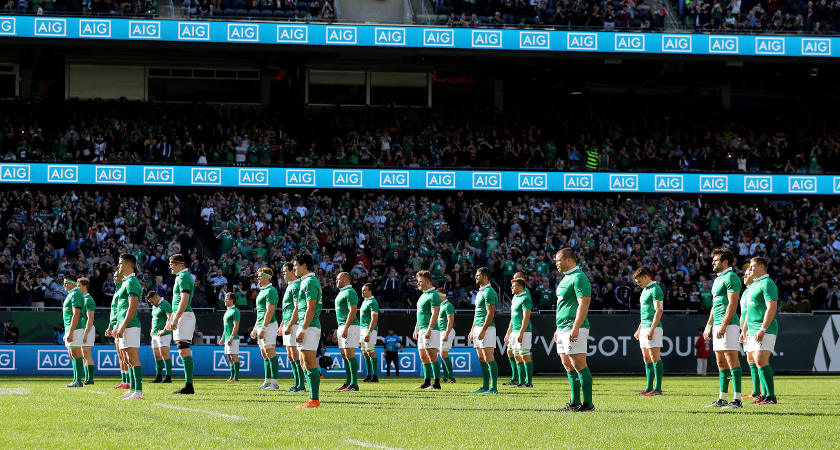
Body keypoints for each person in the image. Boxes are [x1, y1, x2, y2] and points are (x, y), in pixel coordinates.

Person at [554, 248, 595, 412]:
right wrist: (558, 328)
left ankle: (588, 404)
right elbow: (563, 306)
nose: (556, 263)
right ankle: (575, 402)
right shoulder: (565, 279)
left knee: (579, 364)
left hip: (573, 326)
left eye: (558, 260)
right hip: (563, 327)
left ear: (569, 260)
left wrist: (576, 327)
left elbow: (584, 303)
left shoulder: (579, 277)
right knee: (567, 364)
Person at [702, 247, 743, 409]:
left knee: (731, 359)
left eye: (716, 260)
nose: (712, 262)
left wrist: (724, 325)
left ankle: (737, 400)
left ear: (725, 262)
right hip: (718, 324)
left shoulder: (732, 277)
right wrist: (709, 325)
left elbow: (733, 304)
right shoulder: (719, 279)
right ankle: (722, 398)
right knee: (720, 361)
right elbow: (715, 305)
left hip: (729, 324)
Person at [743, 256, 778, 404]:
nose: (749, 269)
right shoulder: (754, 286)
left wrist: (763, 328)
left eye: (752, 266)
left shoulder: (768, 283)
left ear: (761, 267)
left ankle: (771, 397)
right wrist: (745, 330)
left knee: (760, 360)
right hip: (753, 330)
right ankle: (763, 395)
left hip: (765, 329)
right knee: (756, 361)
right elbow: (749, 312)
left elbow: (772, 307)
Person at [165, 254, 197, 395]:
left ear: (180, 264)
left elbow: (184, 298)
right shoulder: (181, 277)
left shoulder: (183, 277)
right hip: (182, 315)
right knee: (182, 349)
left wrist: (176, 318)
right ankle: (188, 385)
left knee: (183, 348)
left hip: (184, 315)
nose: (170, 266)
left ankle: (189, 386)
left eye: (172, 263)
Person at [294, 252, 323, 409]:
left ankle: (315, 400)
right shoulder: (306, 281)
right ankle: (312, 398)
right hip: (307, 325)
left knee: (309, 361)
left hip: (310, 326)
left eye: (295, 266)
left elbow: (311, 308)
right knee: (304, 362)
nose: (294, 269)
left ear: (304, 266)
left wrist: (303, 328)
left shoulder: (310, 282)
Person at [115, 254, 144, 400]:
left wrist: (123, 325)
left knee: (132, 357)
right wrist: (118, 325)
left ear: (127, 265)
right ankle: (133, 389)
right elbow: (122, 308)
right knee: (127, 358)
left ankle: (138, 391)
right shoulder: (126, 282)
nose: (118, 266)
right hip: (125, 325)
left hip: (131, 325)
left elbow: (132, 307)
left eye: (120, 263)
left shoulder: (132, 282)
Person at [632, 268, 664, 396]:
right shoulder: (645, 290)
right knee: (646, 358)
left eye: (639, 281)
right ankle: (648, 388)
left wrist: (651, 329)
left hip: (653, 327)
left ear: (646, 277)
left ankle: (658, 389)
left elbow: (659, 310)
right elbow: (645, 313)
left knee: (654, 356)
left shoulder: (656, 289)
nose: (638, 284)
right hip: (644, 327)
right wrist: (639, 329)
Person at [469, 267, 498, 394]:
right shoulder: (480, 292)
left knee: (488, 357)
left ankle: (494, 388)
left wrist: (484, 330)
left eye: (478, 275)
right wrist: (472, 329)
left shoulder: (489, 291)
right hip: (478, 327)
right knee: (481, 358)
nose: (476, 277)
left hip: (487, 328)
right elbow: (477, 313)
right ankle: (485, 386)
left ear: (485, 277)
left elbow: (490, 313)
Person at [252, 266, 280, 390]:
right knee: (264, 354)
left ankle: (274, 383)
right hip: (261, 325)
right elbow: (260, 312)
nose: (258, 278)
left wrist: (263, 328)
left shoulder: (271, 291)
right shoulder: (262, 290)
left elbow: (269, 311)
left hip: (268, 325)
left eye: (260, 276)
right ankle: (267, 381)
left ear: (267, 278)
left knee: (270, 353)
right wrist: (255, 327)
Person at [413, 270, 441, 390]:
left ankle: (436, 384)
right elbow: (420, 314)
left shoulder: (434, 294)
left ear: (428, 281)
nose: (418, 283)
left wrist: (429, 329)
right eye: (418, 281)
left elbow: (435, 314)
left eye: (420, 281)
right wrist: (416, 328)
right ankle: (426, 382)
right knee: (423, 357)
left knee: (432, 356)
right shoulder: (423, 295)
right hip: (422, 329)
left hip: (431, 329)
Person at [280, 262, 305, 392]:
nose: (283, 274)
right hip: (288, 323)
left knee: (295, 354)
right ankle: (296, 384)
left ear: (291, 271)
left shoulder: (296, 286)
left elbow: (296, 307)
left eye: (285, 271)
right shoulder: (290, 286)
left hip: (294, 324)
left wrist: (289, 324)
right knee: (290, 355)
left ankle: (301, 385)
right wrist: (282, 324)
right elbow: (287, 309)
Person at [334, 272, 361, 392]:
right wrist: (339, 328)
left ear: (345, 279)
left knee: (350, 354)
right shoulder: (341, 292)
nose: (336, 280)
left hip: (350, 326)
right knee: (345, 355)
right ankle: (348, 382)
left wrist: (345, 327)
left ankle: (354, 384)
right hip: (342, 326)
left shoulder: (350, 292)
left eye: (338, 278)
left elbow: (353, 310)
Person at [507, 278, 534, 388]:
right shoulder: (514, 298)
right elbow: (513, 318)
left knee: (525, 356)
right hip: (514, 332)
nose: (511, 288)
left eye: (514, 286)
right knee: (517, 356)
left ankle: (529, 382)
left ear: (520, 287)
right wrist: (509, 332)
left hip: (523, 332)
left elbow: (526, 317)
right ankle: (521, 382)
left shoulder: (525, 298)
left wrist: (521, 333)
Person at [105, 272, 130, 390]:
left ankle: (129, 381)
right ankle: (124, 381)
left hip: (121, 325)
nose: (114, 278)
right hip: (115, 324)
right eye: (113, 276)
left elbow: (122, 310)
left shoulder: (123, 289)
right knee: (120, 356)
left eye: (116, 276)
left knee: (126, 355)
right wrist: (110, 326)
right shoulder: (117, 291)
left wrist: (117, 325)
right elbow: (114, 312)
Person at [61, 274, 85, 388]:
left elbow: (76, 314)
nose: (64, 285)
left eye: (66, 282)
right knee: (72, 354)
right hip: (70, 328)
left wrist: (70, 331)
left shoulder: (75, 294)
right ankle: (76, 379)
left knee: (76, 353)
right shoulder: (72, 294)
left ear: (72, 283)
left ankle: (78, 381)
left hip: (75, 328)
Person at [739, 266, 758, 400]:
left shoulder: (756, 289)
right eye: (744, 275)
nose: (744, 277)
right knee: (750, 359)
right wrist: (742, 330)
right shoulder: (745, 292)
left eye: (747, 274)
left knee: (758, 360)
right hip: (746, 331)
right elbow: (743, 314)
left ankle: (761, 391)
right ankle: (756, 390)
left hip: (753, 329)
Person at [147, 291, 173, 384]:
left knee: (165, 355)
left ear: (156, 297)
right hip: (154, 334)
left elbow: (170, 318)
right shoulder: (154, 306)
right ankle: (158, 377)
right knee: (157, 356)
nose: (151, 303)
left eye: (151, 301)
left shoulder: (165, 304)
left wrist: (164, 330)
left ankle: (168, 377)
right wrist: (151, 330)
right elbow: (153, 319)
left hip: (164, 334)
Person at [360, 282, 380, 383]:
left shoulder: (373, 302)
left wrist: (369, 333)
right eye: (362, 290)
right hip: (362, 329)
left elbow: (374, 319)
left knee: (371, 351)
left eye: (364, 290)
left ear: (370, 291)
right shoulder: (364, 301)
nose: (362, 292)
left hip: (369, 330)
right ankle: (368, 375)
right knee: (365, 352)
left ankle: (375, 376)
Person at [78, 277, 97, 385]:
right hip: (83, 329)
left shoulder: (89, 300)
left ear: (85, 286)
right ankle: (87, 378)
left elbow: (91, 318)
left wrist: (86, 332)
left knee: (87, 353)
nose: (77, 288)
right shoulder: (83, 299)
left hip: (87, 329)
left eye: (79, 286)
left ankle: (90, 379)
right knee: (83, 354)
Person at [219, 292, 241, 382]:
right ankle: (231, 377)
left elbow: (236, 326)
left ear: (232, 300)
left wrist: (231, 338)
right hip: (227, 338)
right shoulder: (227, 311)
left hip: (233, 338)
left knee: (234, 357)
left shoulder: (235, 311)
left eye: (227, 298)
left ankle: (236, 378)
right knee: (229, 358)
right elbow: (225, 327)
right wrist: (222, 338)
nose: (225, 300)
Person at [436, 287, 456, 383]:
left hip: (446, 332)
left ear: (442, 295)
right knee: (442, 355)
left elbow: (450, 321)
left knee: (444, 354)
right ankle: (445, 377)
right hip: (441, 332)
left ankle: (451, 378)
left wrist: (447, 334)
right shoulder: (440, 306)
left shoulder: (448, 305)